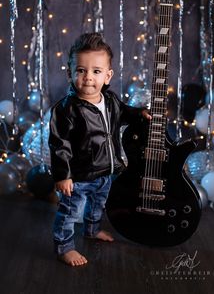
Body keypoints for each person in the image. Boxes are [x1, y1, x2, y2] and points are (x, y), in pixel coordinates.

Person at [49, 33, 151, 267]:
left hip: (107, 170)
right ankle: (64, 247)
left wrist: (139, 114)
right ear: (70, 73)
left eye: (96, 71)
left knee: (98, 205)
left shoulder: (111, 99)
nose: (87, 78)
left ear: (107, 76)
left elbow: (124, 112)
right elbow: (59, 144)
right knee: (70, 212)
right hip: (79, 176)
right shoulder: (65, 110)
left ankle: (92, 230)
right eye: (81, 70)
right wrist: (63, 175)